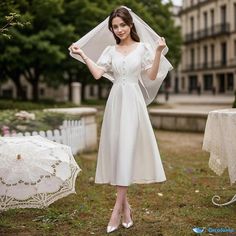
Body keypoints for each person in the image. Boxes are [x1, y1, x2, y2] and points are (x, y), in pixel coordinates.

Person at [69, 6, 172, 234]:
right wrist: (83, 55)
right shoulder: (110, 51)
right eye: (115, 27)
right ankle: (126, 209)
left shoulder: (142, 48)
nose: (119, 30)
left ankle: (117, 208)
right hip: (115, 103)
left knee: (126, 149)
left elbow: (152, 75)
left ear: (130, 25)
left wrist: (157, 52)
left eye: (122, 25)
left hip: (133, 102)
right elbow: (97, 73)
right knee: (118, 151)